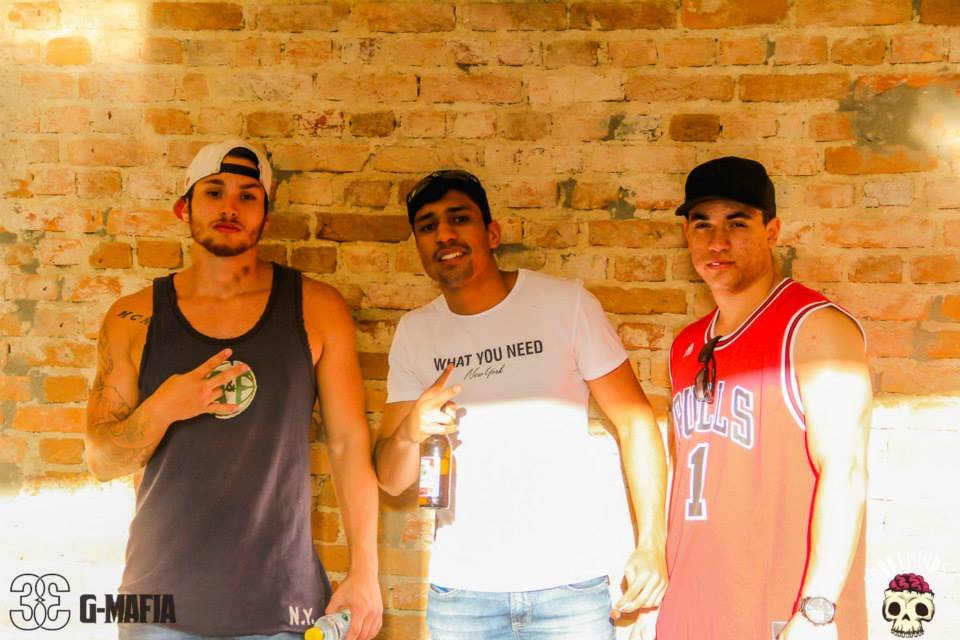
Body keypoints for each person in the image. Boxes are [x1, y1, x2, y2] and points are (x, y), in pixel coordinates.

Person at [85, 140, 382, 640]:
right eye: (214, 192)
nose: (230, 207)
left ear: (266, 216)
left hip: (280, 600)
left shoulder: (316, 308)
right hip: (158, 602)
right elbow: (101, 461)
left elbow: (348, 443)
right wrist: (163, 407)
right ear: (184, 208)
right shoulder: (133, 317)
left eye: (248, 196)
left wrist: (365, 572)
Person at [373, 170, 668, 639]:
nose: (444, 235)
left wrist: (652, 544)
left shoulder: (566, 304)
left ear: (492, 233)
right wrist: (411, 430)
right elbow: (390, 479)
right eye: (427, 226)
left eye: (459, 219)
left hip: (569, 589)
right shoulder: (415, 333)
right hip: (462, 595)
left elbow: (636, 423)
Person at [656, 157, 871, 640]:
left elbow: (847, 472)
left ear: (771, 231)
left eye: (737, 223)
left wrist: (818, 610)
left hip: (783, 614)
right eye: (702, 224)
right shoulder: (686, 345)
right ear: (687, 234)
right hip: (692, 613)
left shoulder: (815, 327)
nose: (717, 242)